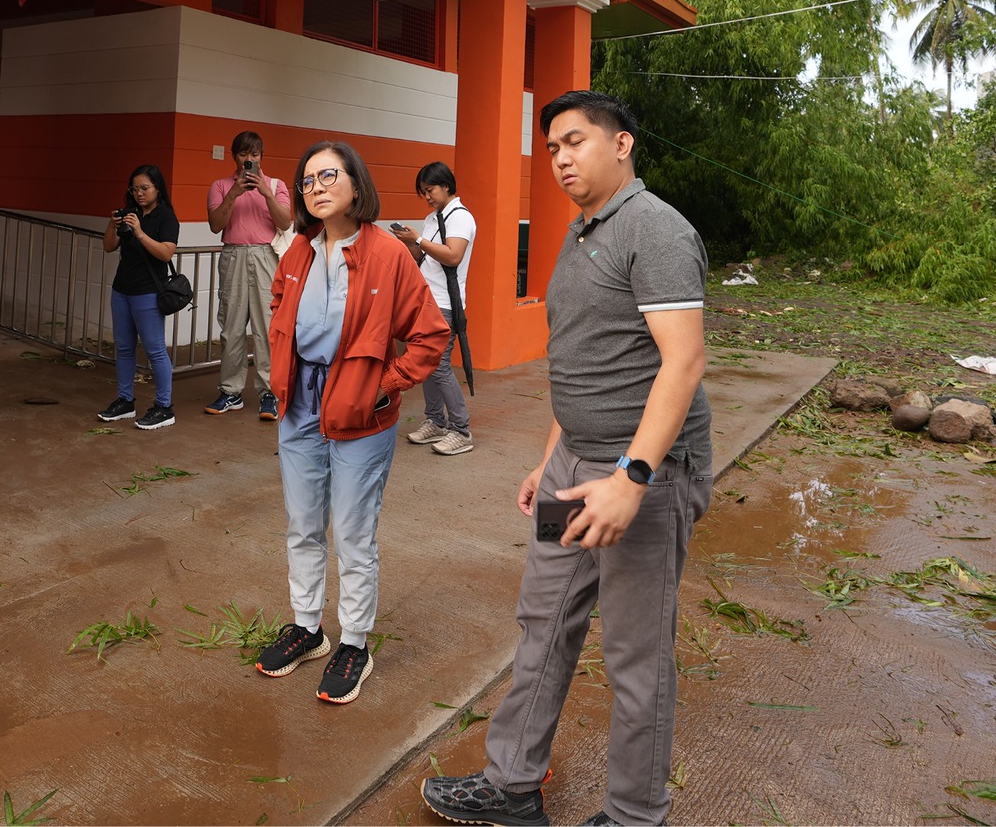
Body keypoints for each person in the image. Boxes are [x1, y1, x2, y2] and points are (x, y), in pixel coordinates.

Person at [422, 90, 711, 827]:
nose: (559, 159)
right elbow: (582, 362)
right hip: (572, 468)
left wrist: (632, 479)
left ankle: (635, 814)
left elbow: (682, 365)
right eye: (551, 147)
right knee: (544, 619)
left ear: (622, 145)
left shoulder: (656, 230)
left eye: (575, 141)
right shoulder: (581, 232)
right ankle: (512, 785)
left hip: (640, 477)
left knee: (636, 656)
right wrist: (549, 459)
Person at [251, 141, 450, 705]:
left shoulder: (387, 253)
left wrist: (382, 386)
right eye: (307, 179)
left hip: (362, 414)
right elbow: (278, 303)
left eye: (327, 176)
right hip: (300, 406)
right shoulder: (299, 249)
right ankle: (308, 627)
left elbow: (431, 334)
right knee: (303, 522)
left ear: (356, 185)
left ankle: (355, 643)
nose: (315, 187)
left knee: (354, 534)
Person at [390, 161, 476, 456]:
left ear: (446, 186)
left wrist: (419, 239)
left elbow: (452, 256)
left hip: (445, 304)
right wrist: (408, 242)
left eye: (430, 190)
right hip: (426, 300)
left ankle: (461, 429)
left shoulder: (461, 217)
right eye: (423, 192)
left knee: (438, 366)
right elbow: (422, 256)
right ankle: (436, 422)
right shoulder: (432, 218)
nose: (426, 196)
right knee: (425, 365)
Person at [206, 131, 293, 419]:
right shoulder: (220, 185)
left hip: (266, 256)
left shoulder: (277, 185)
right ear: (235, 156)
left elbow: (285, 221)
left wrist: (265, 192)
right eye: (244, 155)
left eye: (254, 155)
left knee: (267, 328)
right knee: (231, 327)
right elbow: (215, 225)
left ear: (261, 156)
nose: (249, 160)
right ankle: (231, 391)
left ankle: (269, 392)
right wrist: (235, 192)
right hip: (233, 254)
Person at [95, 164, 182, 431]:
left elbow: (166, 253)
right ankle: (125, 400)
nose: (139, 193)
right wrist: (114, 224)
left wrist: (140, 232)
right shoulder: (129, 213)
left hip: (148, 292)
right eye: (135, 188)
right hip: (122, 289)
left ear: (157, 188)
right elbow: (109, 246)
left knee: (155, 350)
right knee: (123, 347)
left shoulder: (166, 217)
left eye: (145, 188)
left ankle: (164, 407)